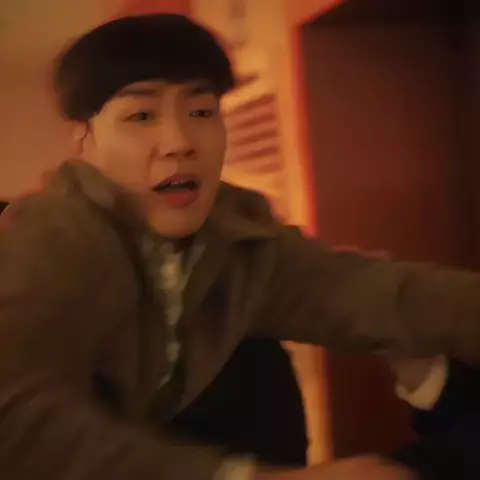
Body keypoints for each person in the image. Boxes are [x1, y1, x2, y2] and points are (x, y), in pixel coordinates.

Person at [3, 12, 480, 480]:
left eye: (201, 112)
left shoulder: (237, 236)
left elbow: (380, 295)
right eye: (141, 116)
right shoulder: (44, 236)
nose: (179, 142)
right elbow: (17, 419)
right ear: (83, 141)